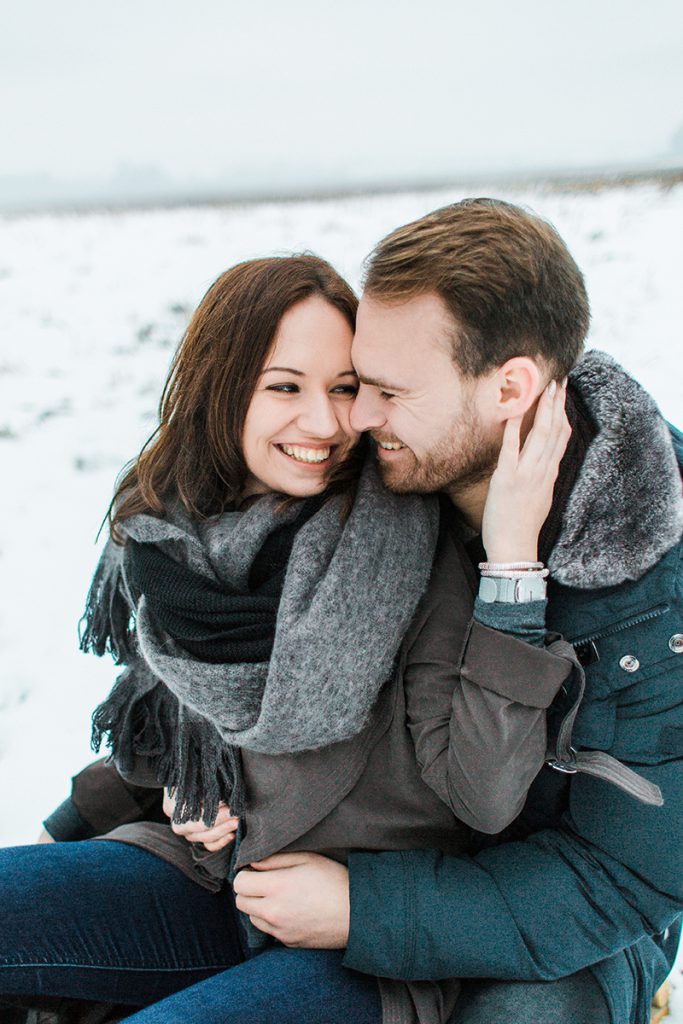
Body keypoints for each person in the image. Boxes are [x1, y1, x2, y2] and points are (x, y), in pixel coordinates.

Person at [0, 251, 577, 1024]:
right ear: (221, 386)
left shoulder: (402, 537)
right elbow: (166, 718)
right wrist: (155, 797)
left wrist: (509, 571)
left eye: (344, 388)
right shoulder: (172, 538)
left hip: (362, 939)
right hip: (205, 882)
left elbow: (485, 795)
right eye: (285, 387)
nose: (325, 423)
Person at [229, 199, 683, 1024]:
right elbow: (252, 646)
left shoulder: (656, 581)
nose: (356, 417)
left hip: (571, 923)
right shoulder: (396, 475)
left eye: (389, 391)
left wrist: (367, 908)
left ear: (509, 387)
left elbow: (628, 877)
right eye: (361, 380)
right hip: (364, 851)